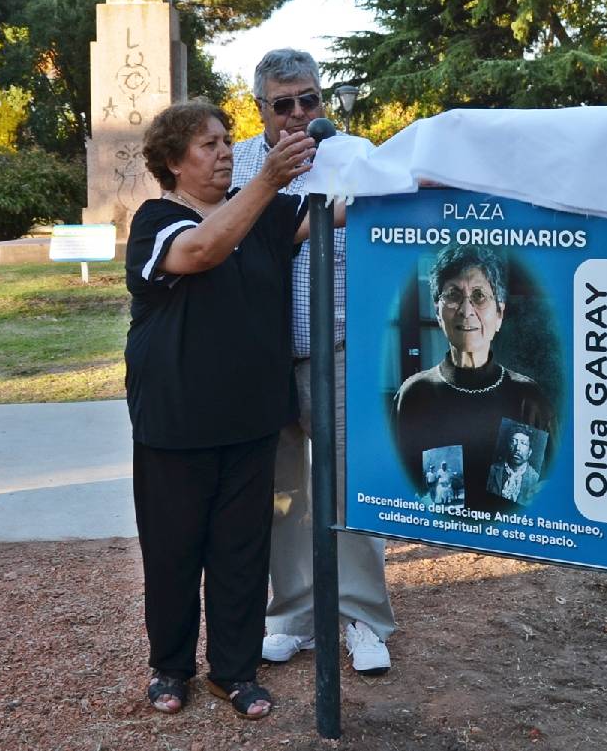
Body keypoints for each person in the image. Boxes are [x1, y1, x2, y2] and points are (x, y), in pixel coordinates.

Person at [126, 99, 316, 720]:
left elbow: (338, 212)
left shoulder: (263, 211)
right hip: (176, 421)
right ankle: (170, 668)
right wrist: (267, 180)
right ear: (174, 162)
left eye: (227, 140)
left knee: (241, 552)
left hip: (251, 416)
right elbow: (203, 250)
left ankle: (234, 672)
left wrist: (422, 171)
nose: (226, 151)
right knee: (175, 549)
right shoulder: (157, 222)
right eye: (208, 144)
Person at [231, 48, 395, 676]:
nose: (299, 114)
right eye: (284, 103)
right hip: (263, 356)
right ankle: (294, 614)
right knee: (282, 494)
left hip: (345, 349)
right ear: (261, 108)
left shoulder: (356, 155)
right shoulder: (239, 164)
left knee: (353, 487)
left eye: (310, 99)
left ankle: (363, 618)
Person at [394, 245, 555, 514]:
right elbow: (400, 484)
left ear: (499, 314)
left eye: (479, 296)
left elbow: (546, 489)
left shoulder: (528, 398)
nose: (466, 310)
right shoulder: (414, 395)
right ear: (437, 311)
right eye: (453, 296)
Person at [486, 425, 541, 506]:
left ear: (529, 452)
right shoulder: (492, 471)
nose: (517, 448)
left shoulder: (535, 479)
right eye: (513, 441)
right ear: (508, 446)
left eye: (523, 443)